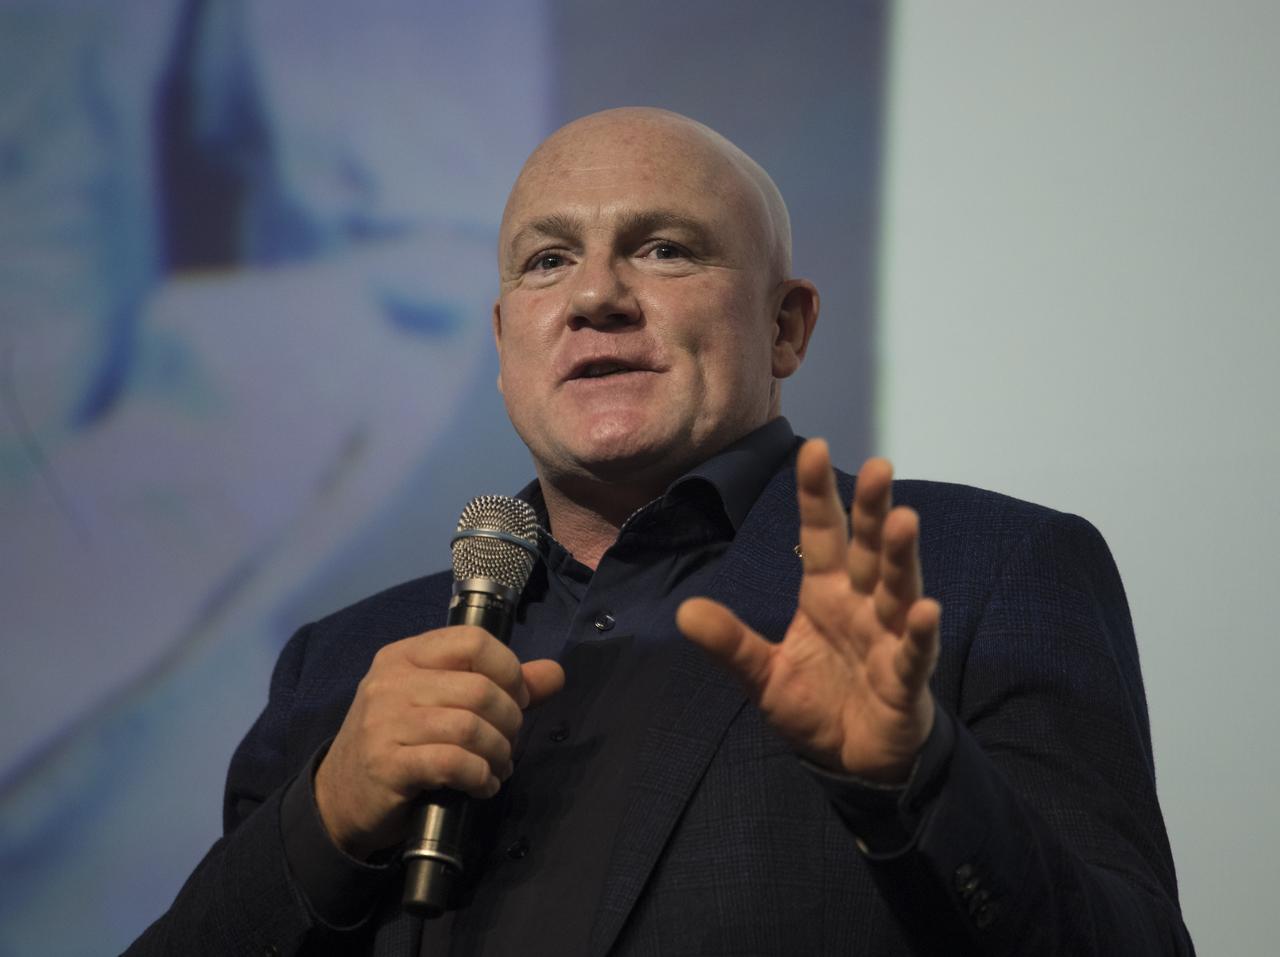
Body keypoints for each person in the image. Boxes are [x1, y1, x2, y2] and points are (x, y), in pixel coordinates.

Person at [128, 107, 1195, 955]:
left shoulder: (977, 574)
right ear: (507, 340)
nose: (594, 294)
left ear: (785, 326)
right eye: (545, 262)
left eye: (664, 249)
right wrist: (322, 821)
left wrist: (912, 779)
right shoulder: (341, 664)